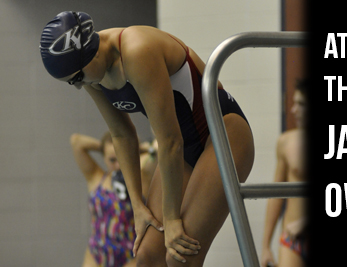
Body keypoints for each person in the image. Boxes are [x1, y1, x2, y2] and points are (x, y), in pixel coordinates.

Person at [41, 11, 254, 267]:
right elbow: (122, 135)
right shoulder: (92, 75)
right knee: (147, 257)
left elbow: (170, 140)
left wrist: (172, 219)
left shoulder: (136, 49)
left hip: (222, 133)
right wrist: (137, 207)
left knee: (180, 256)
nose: (78, 85)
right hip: (182, 148)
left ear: (91, 52)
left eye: (76, 78)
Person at [71, 132, 157, 267]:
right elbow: (76, 141)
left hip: (129, 256)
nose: (118, 165)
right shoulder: (96, 178)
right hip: (97, 254)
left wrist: (135, 148)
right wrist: (109, 145)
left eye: (122, 159)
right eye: (112, 159)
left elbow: (158, 151)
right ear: (104, 157)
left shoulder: (141, 180)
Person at [260, 79, 308, 267]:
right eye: (294, 103)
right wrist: (265, 246)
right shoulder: (286, 142)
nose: (294, 110)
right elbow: (276, 196)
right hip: (292, 240)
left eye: (301, 104)